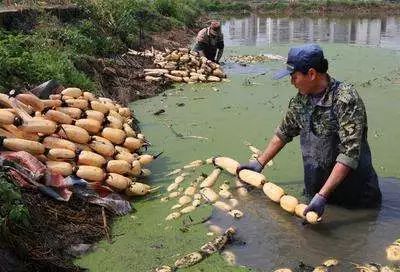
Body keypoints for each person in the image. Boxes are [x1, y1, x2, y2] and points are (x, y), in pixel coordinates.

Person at [237, 44, 381, 218]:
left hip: (355, 199)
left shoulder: (345, 99)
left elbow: (349, 155)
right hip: (317, 190)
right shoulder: (301, 100)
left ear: (312, 74)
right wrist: (259, 164)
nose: (291, 82)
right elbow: (284, 132)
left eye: (294, 77)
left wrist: (323, 195)